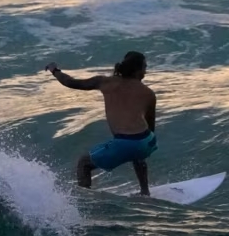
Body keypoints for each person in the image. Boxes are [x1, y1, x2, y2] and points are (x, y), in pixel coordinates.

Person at [44, 51, 157, 195]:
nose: (145, 73)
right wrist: (147, 146)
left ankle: (84, 202)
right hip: (146, 141)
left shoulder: (105, 82)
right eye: (144, 68)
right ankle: (145, 192)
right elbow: (151, 126)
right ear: (137, 70)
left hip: (126, 142)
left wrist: (55, 70)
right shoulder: (149, 93)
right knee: (137, 154)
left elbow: (71, 82)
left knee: (84, 164)